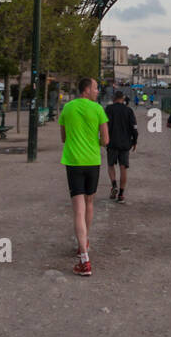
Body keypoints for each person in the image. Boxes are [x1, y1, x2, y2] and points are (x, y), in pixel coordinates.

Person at [59, 77, 109, 276]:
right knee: (89, 204)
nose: (98, 91)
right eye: (96, 88)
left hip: (73, 162)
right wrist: (92, 140)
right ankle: (84, 243)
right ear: (87, 89)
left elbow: (63, 138)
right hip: (93, 161)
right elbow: (105, 140)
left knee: (78, 209)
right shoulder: (98, 109)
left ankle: (84, 257)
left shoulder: (67, 108)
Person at [105, 89, 138, 202]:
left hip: (112, 142)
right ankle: (121, 195)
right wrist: (135, 141)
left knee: (110, 165)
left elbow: (104, 125)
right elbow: (134, 127)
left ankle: (114, 185)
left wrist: (104, 139)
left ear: (114, 98)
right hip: (125, 143)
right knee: (123, 167)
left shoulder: (108, 109)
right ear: (123, 99)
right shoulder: (128, 110)